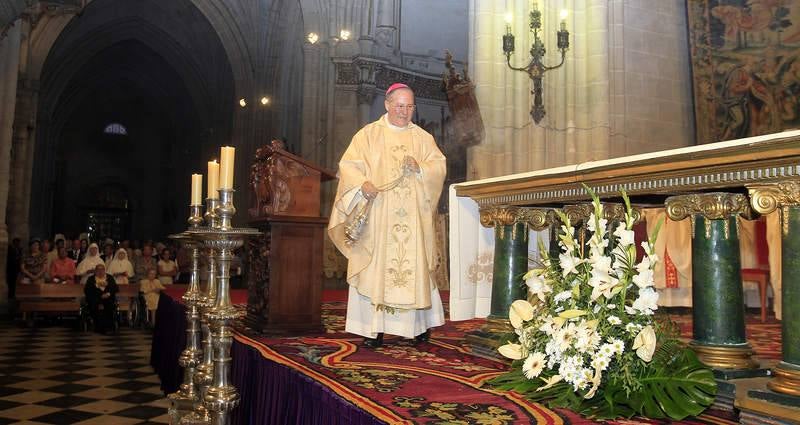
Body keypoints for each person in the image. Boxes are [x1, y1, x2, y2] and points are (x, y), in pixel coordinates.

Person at [328, 83, 447, 348]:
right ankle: (373, 328)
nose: (404, 112)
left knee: (415, 266)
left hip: (413, 220)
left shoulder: (423, 138)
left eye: (409, 107)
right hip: (379, 219)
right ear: (387, 104)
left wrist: (421, 168)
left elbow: (438, 166)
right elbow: (348, 166)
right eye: (399, 106)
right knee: (375, 269)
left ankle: (418, 328)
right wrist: (362, 184)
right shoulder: (368, 135)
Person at [84, 264, 118, 333]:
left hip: (108, 299)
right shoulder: (91, 279)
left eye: (102, 269)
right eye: (98, 270)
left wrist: (108, 294)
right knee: (97, 306)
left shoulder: (110, 277)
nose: (100, 271)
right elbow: (87, 290)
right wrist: (99, 297)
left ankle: (108, 327)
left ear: (104, 270)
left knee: (108, 306)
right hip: (95, 299)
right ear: (95, 271)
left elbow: (115, 288)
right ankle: (99, 327)